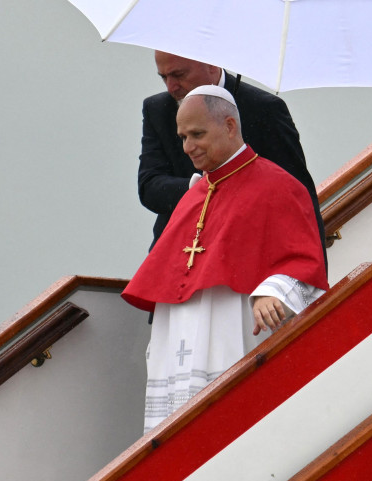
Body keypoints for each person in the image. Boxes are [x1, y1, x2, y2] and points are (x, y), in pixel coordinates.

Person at [122, 86, 329, 433]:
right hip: (180, 341)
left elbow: (304, 262)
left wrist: (273, 291)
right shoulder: (193, 195)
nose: (188, 147)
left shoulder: (279, 186)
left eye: (198, 134)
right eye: (183, 137)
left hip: (235, 330)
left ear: (230, 126)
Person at [138, 51, 324, 250]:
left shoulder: (264, 109)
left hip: (247, 249)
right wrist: (202, 188)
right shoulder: (157, 108)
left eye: (179, 75)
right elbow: (149, 187)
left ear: (211, 64)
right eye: (164, 77)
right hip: (176, 248)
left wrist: (315, 269)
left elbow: (298, 196)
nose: (171, 87)